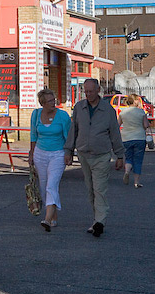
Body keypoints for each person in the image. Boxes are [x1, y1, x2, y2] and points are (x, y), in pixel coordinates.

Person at [64, 78, 125, 237]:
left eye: (91, 91)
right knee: (90, 190)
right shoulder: (79, 107)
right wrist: (68, 151)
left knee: (100, 190)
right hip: (84, 154)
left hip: (102, 155)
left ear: (98, 90)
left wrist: (120, 155)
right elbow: (73, 130)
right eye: (86, 91)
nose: (88, 94)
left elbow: (115, 133)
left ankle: (100, 222)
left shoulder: (107, 109)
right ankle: (96, 219)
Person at [29, 88, 71, 232]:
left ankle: (46, 219)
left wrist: (69, 153)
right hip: (40, 153)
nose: (53, 103)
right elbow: (33, 135)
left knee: (52, 185)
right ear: (42, 104)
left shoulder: (63, 116)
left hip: (58, 154)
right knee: (43, 186)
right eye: (49, 101)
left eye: (54, 100)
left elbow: (69, 136)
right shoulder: (35, 115)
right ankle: (53, 216)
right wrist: (31, 153)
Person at [118, 94, 149, 188]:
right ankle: (136, 182)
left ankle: (127, 171)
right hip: (139, 138)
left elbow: (117, 125)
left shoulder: (122, 113)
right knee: (138, 160)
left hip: (126, 138)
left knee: (128, 158)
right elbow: (146, 125)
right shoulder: (141, 112)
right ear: (135, 101)